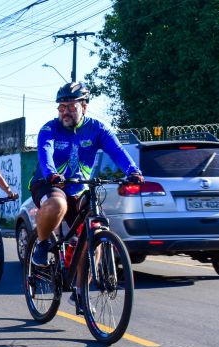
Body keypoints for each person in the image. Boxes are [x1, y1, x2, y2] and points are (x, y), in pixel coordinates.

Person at [30, 81, 143, 311]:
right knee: (57, 204)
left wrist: (133, 171)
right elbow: (45, 152)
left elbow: (118, 151)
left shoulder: (97, 129)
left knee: (96, 230)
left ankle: (81, 292)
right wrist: (52, 173)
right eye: (61, 107)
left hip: (79, 187)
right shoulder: (49, 129)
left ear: (84, 106)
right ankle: (42, 243)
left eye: (70, 107)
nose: (65, 112)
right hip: (48, 183)